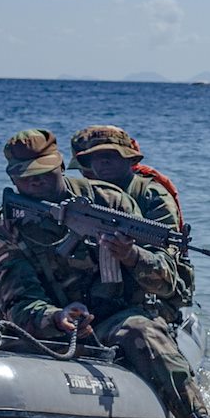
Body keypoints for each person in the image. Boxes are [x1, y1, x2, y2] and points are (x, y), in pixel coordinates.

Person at [0, 130, 210, 418]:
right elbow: (17, 301)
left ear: (62, 166)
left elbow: (168, 280)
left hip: (116, 319)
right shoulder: (5, 225)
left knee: (144, 332)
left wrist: (131, 255)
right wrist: (55, 316)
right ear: (12, 179)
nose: (36, 184)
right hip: (54, 331)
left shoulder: (109, 203)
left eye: (45, 174)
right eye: (26, 178)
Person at [70, 124, 194, 321]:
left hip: (147, 294)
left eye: (112, 155)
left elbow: (168, 267)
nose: (103, 162)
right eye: (96, 157)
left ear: (130, 159)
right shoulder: (84, 197)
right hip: (93, 295)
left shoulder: (151, 196)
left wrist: (131, 254)